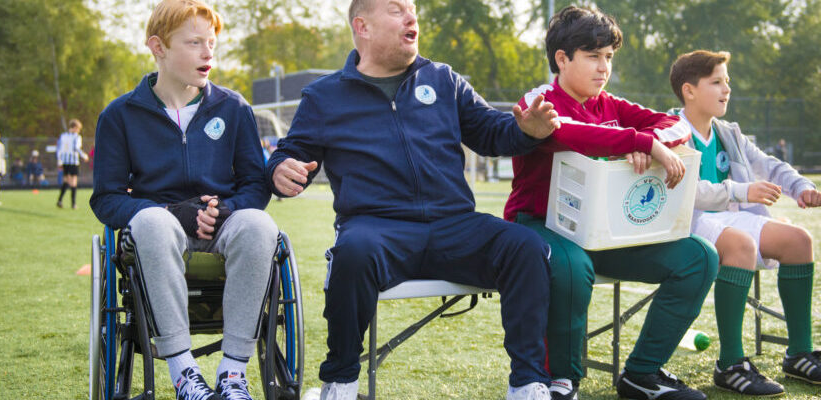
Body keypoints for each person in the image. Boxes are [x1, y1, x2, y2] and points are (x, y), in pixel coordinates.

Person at [267, 1, 560, 399]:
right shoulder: (324, 97)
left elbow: (493, 132)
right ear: (363, 26)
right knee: (352, 254)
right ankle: (340, 382)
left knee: (526, 248)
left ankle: (528, 384)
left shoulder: (443, 79)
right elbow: (291, 151)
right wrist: (280, 168)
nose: (411, 18)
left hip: (455, 225)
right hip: (377, 228)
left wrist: (528, 130)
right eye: (396, 9)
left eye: (413, 10)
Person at [504, 7, 718, 400]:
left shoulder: (612, 105)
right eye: (593, 56)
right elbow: (570, 133)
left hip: (607, 231)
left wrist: (652, 141)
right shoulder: (539, 100)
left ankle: (642, 374)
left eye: (609, 57)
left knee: (699, 257)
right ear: (562, 59)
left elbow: (677, 124)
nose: (604, 67)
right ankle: (561, 381)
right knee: (571, 266)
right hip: (540, 225)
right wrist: (639, 142)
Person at [90, 1, 276, 399]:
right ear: (158, 47)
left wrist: (226, 211)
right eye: (194, 43)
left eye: (211, 43)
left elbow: (255, 186)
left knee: (260, 225)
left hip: (220, 224)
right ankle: (184, 372)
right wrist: (169, 213)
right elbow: (105, 199)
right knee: (152, 223)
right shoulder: (119, 115)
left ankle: (232, 374)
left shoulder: (234, 108)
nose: (208, 52)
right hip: (158, 229)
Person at [668, 50, 821, 396]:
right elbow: (688, 192)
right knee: (740, 244)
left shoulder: (728, 132)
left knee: (799, 241)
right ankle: (731, 363)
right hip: (685, 225)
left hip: (729, 221)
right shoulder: (669, 130)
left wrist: (801, 187)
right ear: (689, 91)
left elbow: (770, 164)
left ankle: (799, 354)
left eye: (727, 81)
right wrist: (744, 190)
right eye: (716, 81)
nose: (726, 89)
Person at [56, 118, 90, 208]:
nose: (78, 131)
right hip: (73, 162)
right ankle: (73, 204)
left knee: (66, 181)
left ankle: (59, 200)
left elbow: (59, 149)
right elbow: (76, 148)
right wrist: (84, 156)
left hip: (65, 162)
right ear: (75, 127)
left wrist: (59, 160)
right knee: (73, 182)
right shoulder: (77, 137)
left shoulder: (63, 135)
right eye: (78, 129)